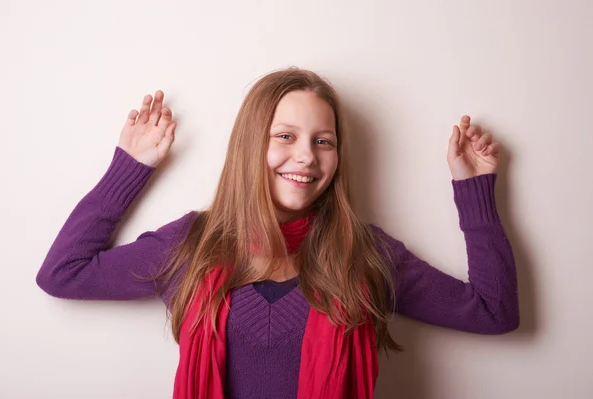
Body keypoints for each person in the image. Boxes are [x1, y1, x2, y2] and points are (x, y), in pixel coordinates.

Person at [36, 67, 519, 399]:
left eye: (323, 141)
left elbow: (493, 311)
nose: (307, 156)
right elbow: (63, 274)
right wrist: (131, 168)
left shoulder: (367, 255)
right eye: (285, 136)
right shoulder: (191, 247)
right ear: (251, 145)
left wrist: (474, 188)